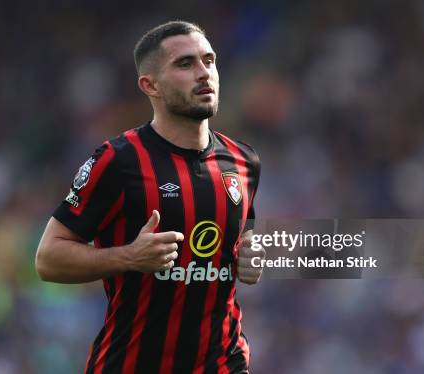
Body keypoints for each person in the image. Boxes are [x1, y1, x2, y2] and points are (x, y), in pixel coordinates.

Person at [35, 20, 264, 374]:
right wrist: (129, 256)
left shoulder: (244, 161)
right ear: (150, 85)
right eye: (185, 64)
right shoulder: (118, 160)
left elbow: (243, 234)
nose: (204, 73)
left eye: (209, 60)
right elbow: (48, 259)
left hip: (223, 363)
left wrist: (250, 256)